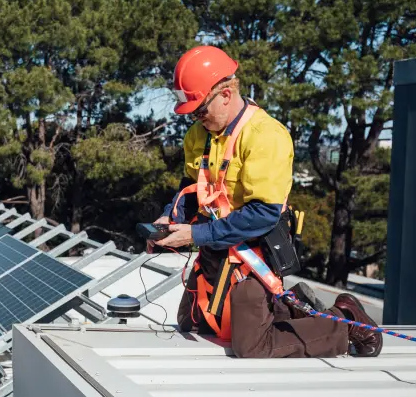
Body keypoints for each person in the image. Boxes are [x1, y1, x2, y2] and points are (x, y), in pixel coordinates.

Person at [149, 45, 383, 359]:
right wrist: (170, 219)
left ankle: (347, 322)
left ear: (227, 94)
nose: (196, 117)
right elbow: (192, 188)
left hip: (253, 257)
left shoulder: (266, 136)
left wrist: (195, 235)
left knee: (251, 346)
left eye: (201, 108)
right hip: (215, 251)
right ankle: (289, 307)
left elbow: (262, 215)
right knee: (193, 323)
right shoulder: (198, 135)